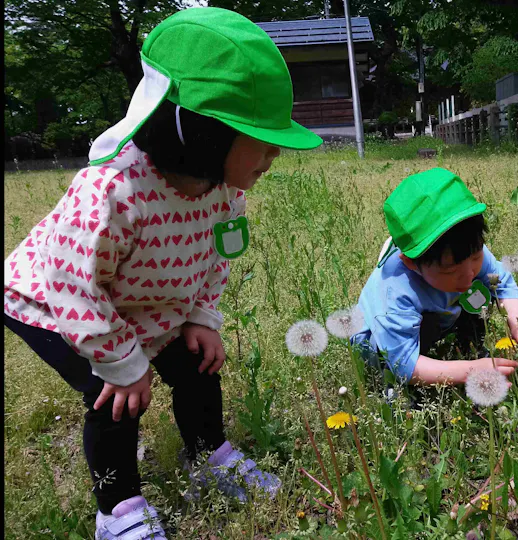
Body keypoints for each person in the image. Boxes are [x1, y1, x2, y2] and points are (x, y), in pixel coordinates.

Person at [3, 7, 322, 540]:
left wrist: (200, 317)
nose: (273, 156)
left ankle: (208, 456)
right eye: (262, 142)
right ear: (200, 133)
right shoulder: (114, 193)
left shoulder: (225, 192)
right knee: (114, 394)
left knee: (197, 363)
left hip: (135, 300)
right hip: (52, 302)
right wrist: (123, 362)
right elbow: (73, 284)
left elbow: (214, 259)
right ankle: (118, 510)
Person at [351, 167, 518, 390]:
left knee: (483, 291)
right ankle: (398, 391)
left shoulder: (463, 251)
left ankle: (468, 346)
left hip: (437, 318)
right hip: (382, 345)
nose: (469, 274)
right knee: (392, 365)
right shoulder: (396, 291)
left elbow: (503, 284)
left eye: (476, 256)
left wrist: (517, 325)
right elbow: (405, 365)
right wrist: (470, 370)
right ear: (411, 263)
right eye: (451, 271)